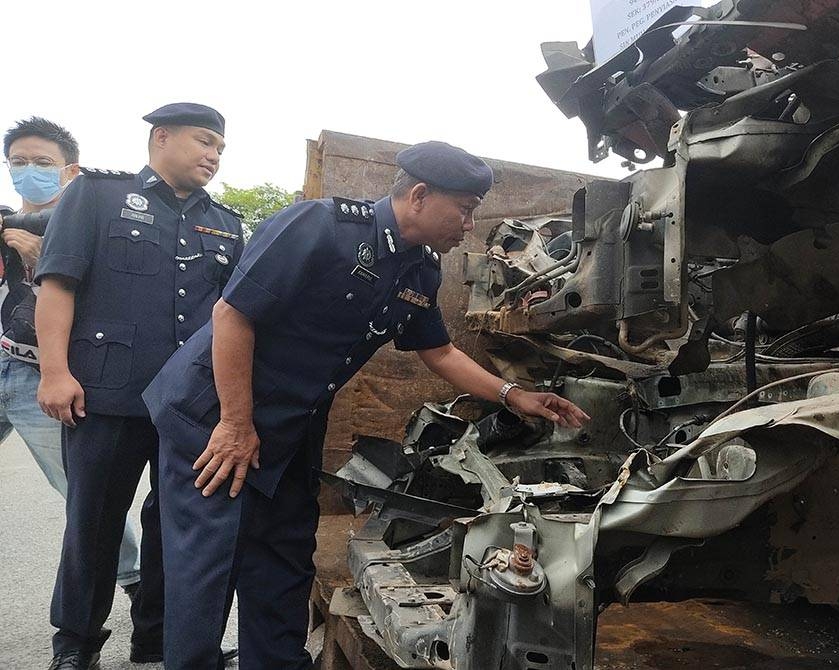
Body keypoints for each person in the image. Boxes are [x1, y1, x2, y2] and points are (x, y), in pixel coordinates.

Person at [143, 140, 591, 669]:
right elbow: (232, 316)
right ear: (420, 195)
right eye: (466, 208)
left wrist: (514, 395)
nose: (470, 225)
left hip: (293, 423)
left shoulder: (420, 268)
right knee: (209, 560)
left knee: (284, 554)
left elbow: (440, 351)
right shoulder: (319, 227)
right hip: (216, 414)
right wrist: (236, 424)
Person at [34, 103, 244, 670]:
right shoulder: (98, 197)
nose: (213, 155)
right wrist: (55, 372)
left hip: (189, 406)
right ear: (161, 137)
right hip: (105, 395)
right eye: (204, 142)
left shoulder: (226, 223)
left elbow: (234, 322)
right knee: (93, 525)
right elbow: (57, 285)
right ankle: (75, 642)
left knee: (176, 530)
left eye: (221, 148)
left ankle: (158, 639)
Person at [2, 117, 143, 595]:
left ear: (70, 170)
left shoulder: (91, 220)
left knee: (86, 498)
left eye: (43, 162)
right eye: (18, 162)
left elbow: (108, 300)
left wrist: (45, 257)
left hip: (42, 373)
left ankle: (133, 580)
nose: (29, 171)